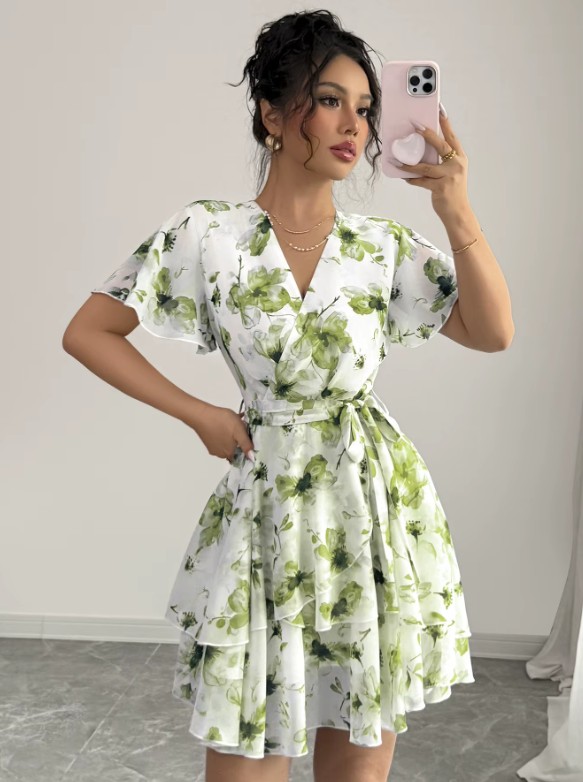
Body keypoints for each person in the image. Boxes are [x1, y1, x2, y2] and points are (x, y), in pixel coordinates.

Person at [62, 9, 513, 782]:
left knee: (357, 750)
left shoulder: (381, 246)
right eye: (329, 100)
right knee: (250, 743)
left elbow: (491, 331)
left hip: (371, 507)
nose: (354, 125)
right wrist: (198, 413)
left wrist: (455, 207)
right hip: (266, 505)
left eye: (365, 107)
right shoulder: (208, 233)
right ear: (272, 115)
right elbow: (89, 332)